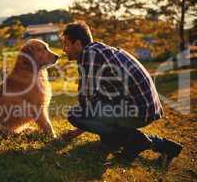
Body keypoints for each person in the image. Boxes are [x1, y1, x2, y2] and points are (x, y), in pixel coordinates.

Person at [60, 21, 182, 164]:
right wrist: (78, 131)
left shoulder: (89, 54)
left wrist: (77, 129)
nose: (63, 49)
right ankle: (162, 145)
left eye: (66, 44)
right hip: (145, 108)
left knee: (75, 114)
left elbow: (87, 104)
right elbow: (96, 101)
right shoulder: (100, 51)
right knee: (102, 125)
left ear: (78, 43)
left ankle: (140, 142)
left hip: (138, 111)